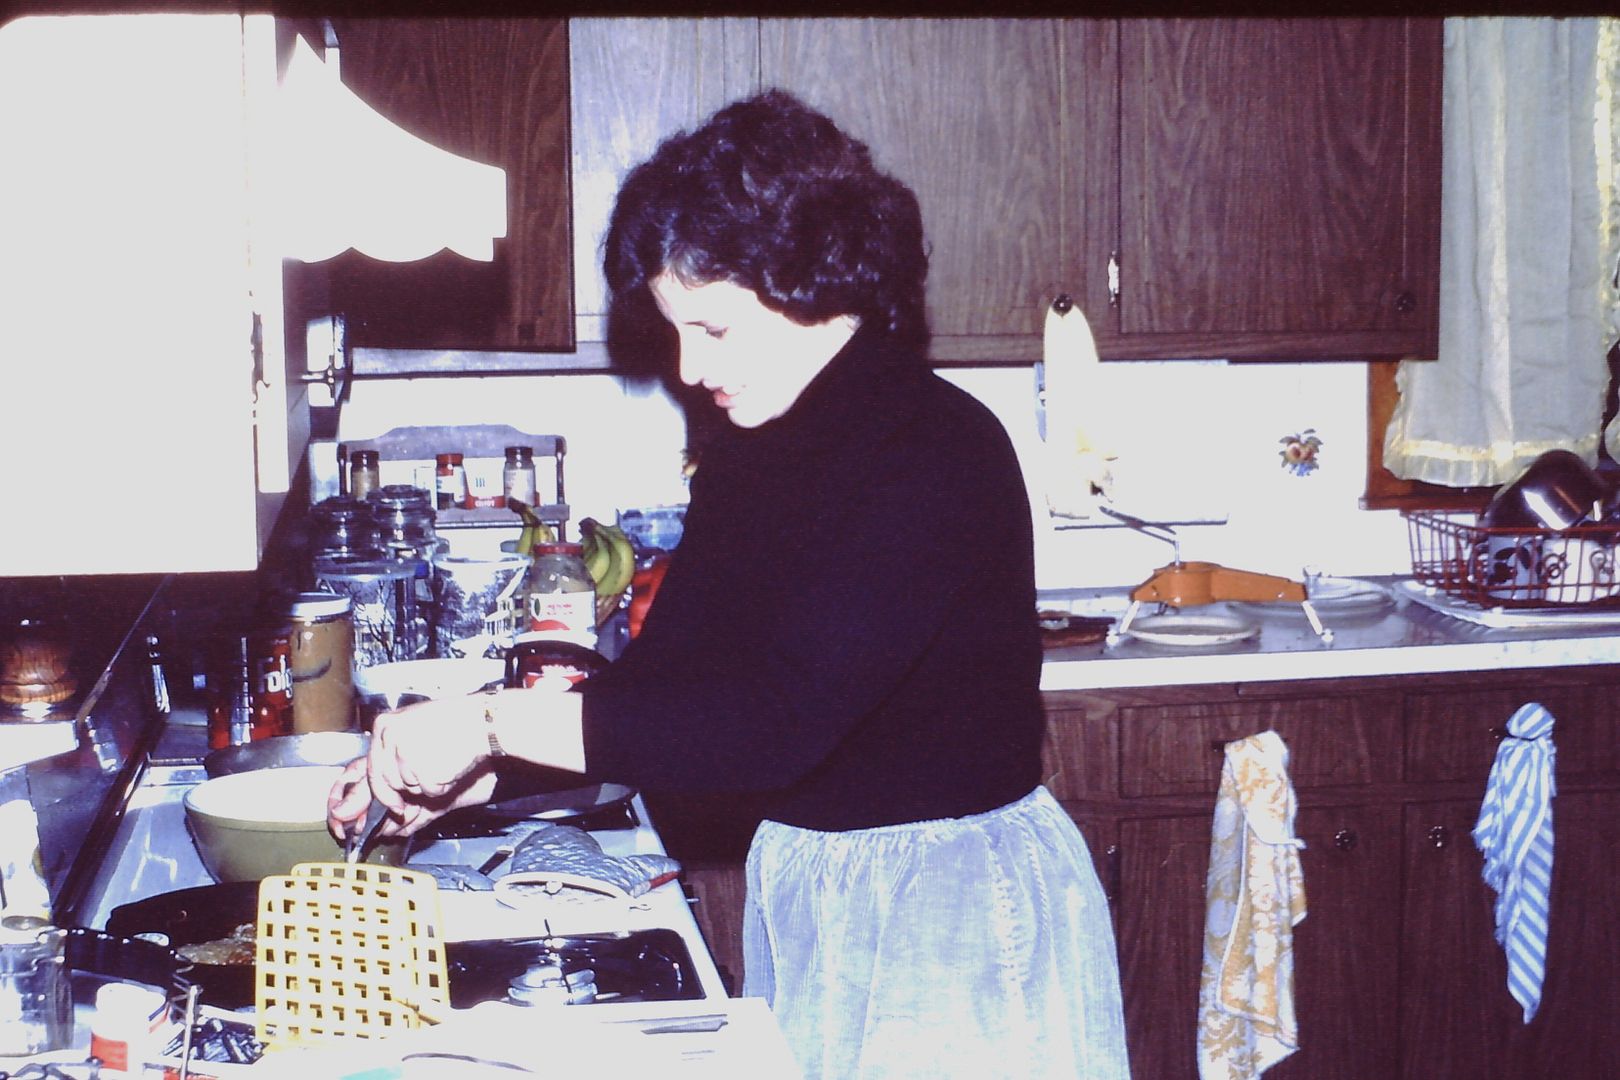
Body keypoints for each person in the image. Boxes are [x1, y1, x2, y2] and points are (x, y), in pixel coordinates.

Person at [329, 89, 1130, 1080]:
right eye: (673, 330)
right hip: (816, 882)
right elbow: (669, 688)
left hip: (950, 906)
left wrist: (490, 723)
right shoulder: (755, 449)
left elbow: (774, 720)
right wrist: (467, 785)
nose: (684, 364)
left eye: (710, 329)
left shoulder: (933, 449)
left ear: (809, 280)